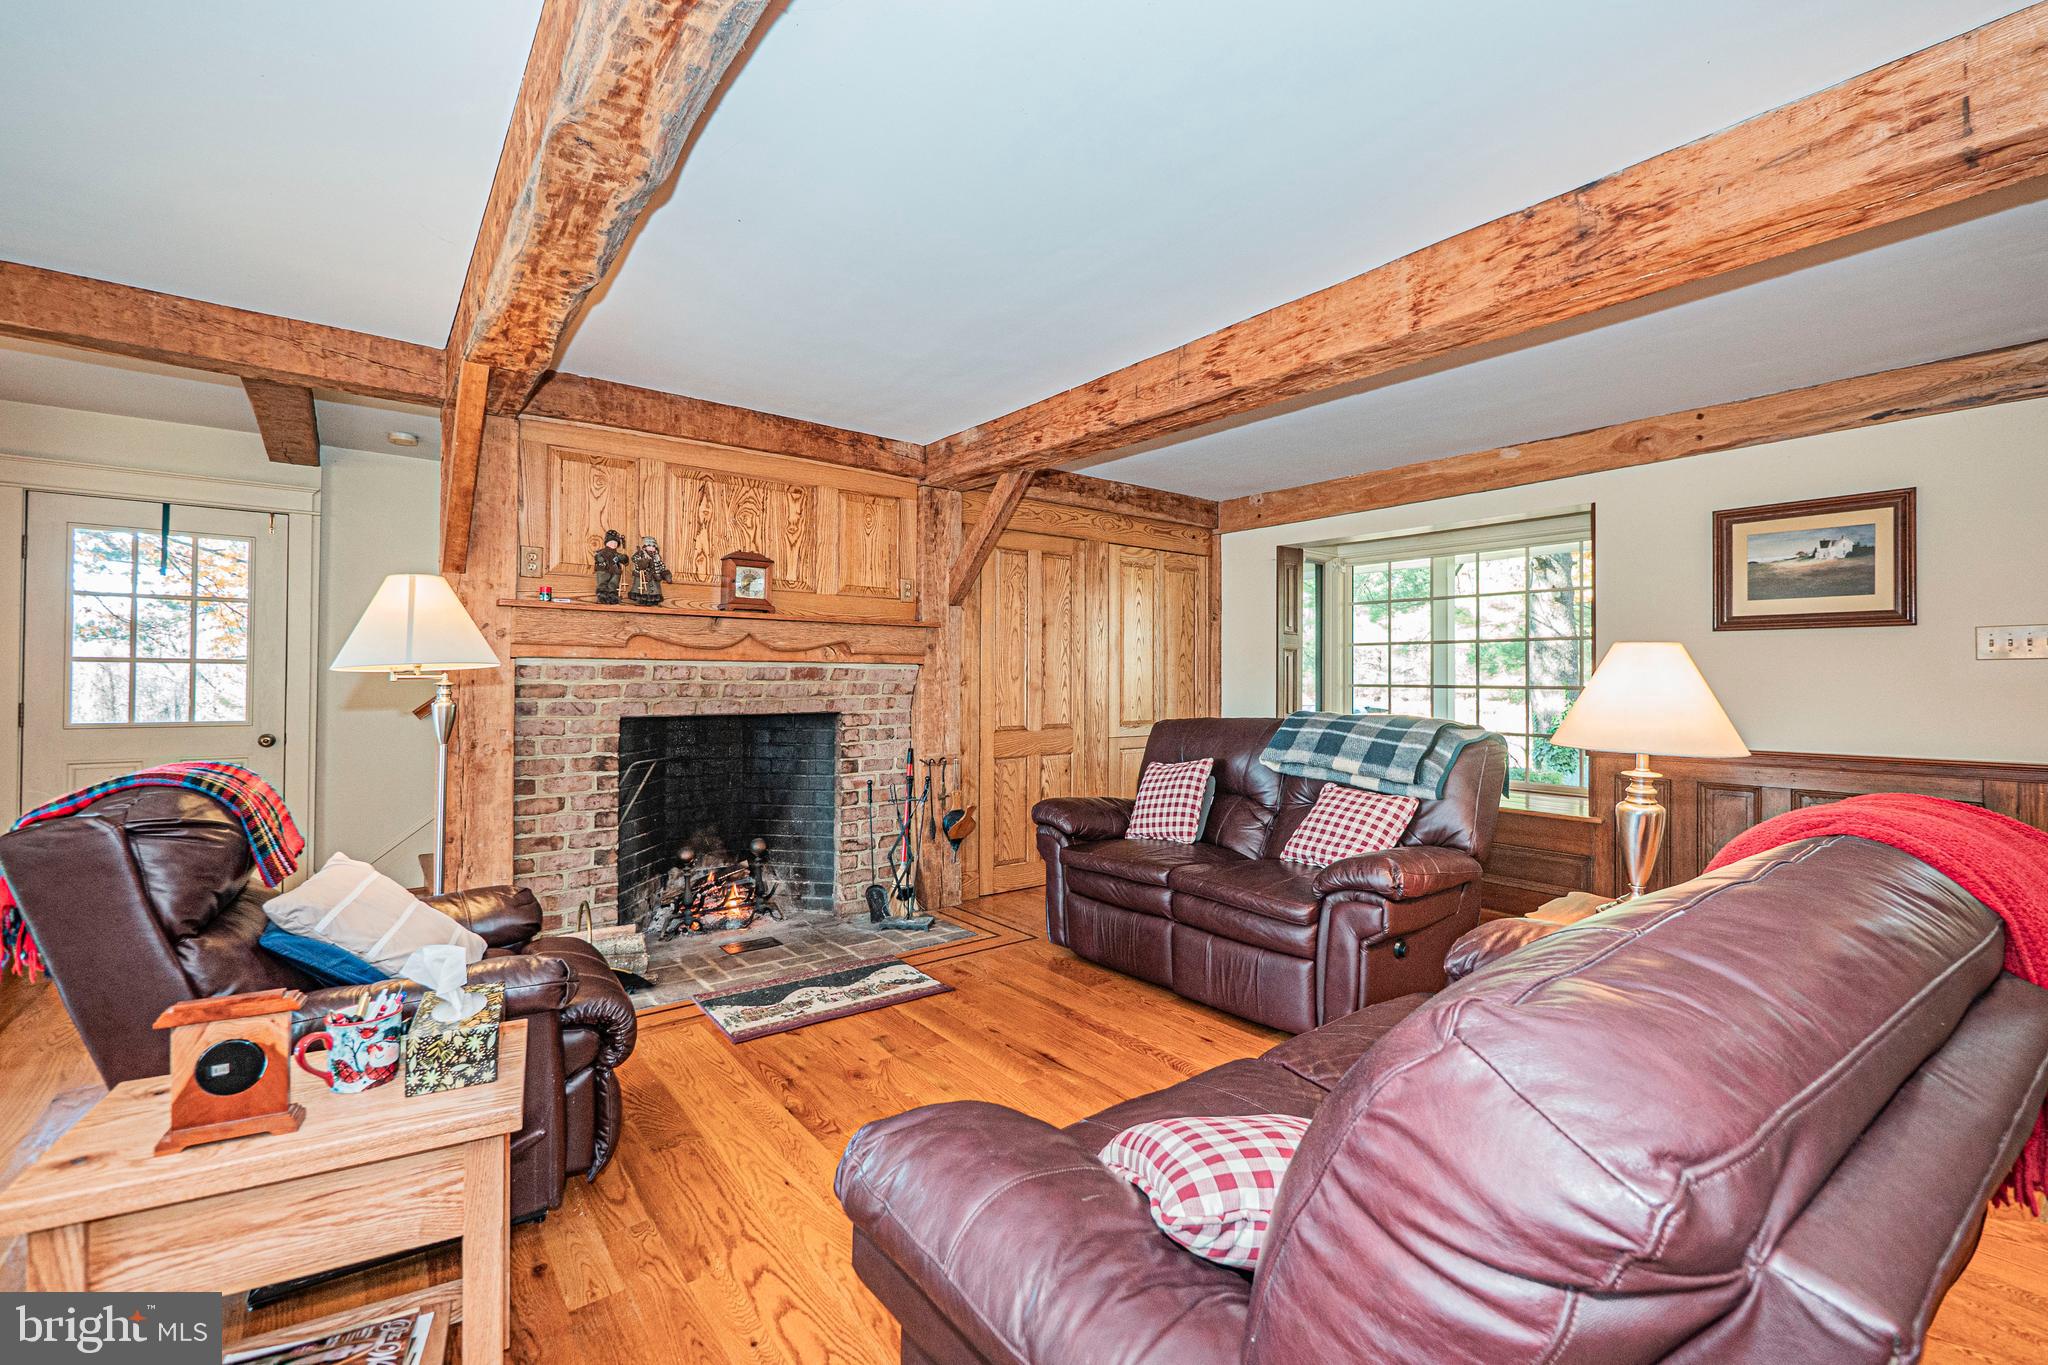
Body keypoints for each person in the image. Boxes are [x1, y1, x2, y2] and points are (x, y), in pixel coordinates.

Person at [629, 535, 673, 607]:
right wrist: (642, 562)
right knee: (644, 590)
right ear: (645, 547)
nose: (651, 548)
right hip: (643, 578)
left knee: (654, 589)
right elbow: (636, 561)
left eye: (653, 546)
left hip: (654, 577)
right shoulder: (640, 554)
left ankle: (653, 600)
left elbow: (661, 566)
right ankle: (642, 600)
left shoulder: (657, 557)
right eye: (649, 546)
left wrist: (666, 574)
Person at [591, 529, 627, 604]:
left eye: (615, 543)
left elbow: (625, 560)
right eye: (611, 542)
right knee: (602, 583)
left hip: (615, 571)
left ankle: (612, 596)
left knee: (613, 584)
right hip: (604, 570)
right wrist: (601, 559)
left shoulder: (617, 554)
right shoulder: (602, 552)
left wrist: (623, 558)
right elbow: (598, 557)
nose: (613, 544)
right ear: (606, 542)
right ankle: (602, 596)